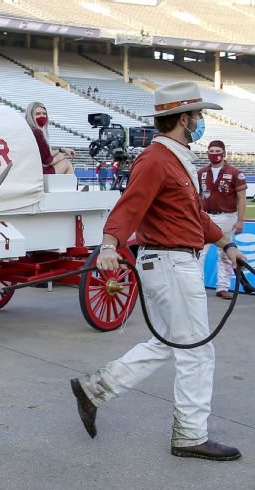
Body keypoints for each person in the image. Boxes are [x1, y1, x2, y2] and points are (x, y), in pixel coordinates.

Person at [70, 81, 246, 461]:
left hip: (175, 261)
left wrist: (226, 245)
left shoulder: (174, 157)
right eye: (198, 116)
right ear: (183, 119)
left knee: (171, 341)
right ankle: (190, 435)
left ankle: (96, 387)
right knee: (197, 351)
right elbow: (128, 207)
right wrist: (108, 245)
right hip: (169, 263)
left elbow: (193, 216)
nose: (200, 122)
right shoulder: (155, 160)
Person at [197, 140, 247, 300]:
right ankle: (197, 286)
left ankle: (223, 287)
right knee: (199, 252)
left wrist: (240, 220)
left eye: (217, 150)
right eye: (211, 150)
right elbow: (197, 197)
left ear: (224, 153)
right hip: (206, 216)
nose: (214, 153)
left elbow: (242, 198)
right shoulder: (201, 172)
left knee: (226, 253)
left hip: (227, 216)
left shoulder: (235, 173)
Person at [25, 102, 75, 175]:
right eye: (38, 114)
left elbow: (46, 154)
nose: (42, 116)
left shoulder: (29, 130)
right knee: (67, 164)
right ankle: (71, 186)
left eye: (44, 113)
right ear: (31, 116)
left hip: (31, 170)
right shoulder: (37, 132)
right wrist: (61, 156)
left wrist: (62, 150)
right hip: (37, 173)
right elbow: (48, 161)